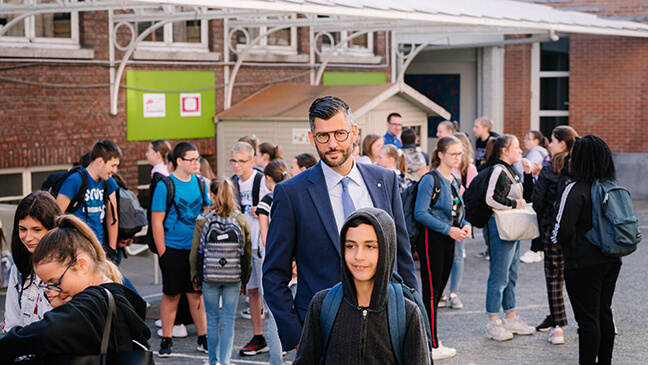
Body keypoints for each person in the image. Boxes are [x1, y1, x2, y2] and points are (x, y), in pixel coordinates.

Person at [263, 96, 419, 352]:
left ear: (354, 132)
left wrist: (413, 318)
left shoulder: (386, 180)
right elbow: (273, 274)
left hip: (386, 328)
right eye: (323, 136)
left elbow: (402, 259)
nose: (332, 143)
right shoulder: (291, 193)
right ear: (312, 138)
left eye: (339, 133)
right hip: (321, 330)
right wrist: (298, 336)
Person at [0, 215, 150, 362]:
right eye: (47, 285)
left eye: (56, 282)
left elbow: (48, 331)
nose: (52, 291)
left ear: (81, 264)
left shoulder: (93, 303)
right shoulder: (115, 293)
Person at [293, 208, 430, 364]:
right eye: (351, 246)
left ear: (387, 250)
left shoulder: (407, 313)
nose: (359, 256)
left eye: (370, 246)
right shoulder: (322, 305)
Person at [552, 135, 623, 365]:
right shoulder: (611, 187)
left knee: (587, 321)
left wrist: (552, 241)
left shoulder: (575, 189)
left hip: (581, 263)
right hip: (611, 259)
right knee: (604, 314)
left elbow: (561, 232)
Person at [151, 142, 211, 357]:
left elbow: (206, 210)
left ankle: (203, 338)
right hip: (173, 250)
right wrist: (163, 252)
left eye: (198, 159)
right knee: (171, 294)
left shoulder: (201, 182)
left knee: (196, 295)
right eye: (192, 160)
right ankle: (166, 339)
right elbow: (156, 221)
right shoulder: (165, 185)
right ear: (179, 161)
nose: (197, 163)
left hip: (196, 250)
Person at [414, 135, 471, 360]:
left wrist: (464, 226)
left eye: (460, 154)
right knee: (431, 293)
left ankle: (432, 341)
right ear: (440, 155)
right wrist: (450, 230)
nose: (458, 158)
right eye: (453, 154)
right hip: (431, 239)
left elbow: (458, 212)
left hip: (448, 238)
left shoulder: (453, 179)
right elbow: (420, 213)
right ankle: (431, 345)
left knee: (438, 293)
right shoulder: (431, 179)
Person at [190, 177, 252, 365]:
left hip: (210, 275)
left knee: (212, 320)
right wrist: (245, 279)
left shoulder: (203, 220)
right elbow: (247, 252)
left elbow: (194, 253)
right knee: (228, 321)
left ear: (212, 195)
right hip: (233, 276)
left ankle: (212, 361)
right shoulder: (240, 219)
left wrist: (196, 278)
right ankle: (225, 361)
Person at [483, 135, 536, 341]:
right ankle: (493, 321)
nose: (520, 150)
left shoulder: (510, 170)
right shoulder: (498, 170)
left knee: (510, 274)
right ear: (504, 150)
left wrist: (529, 174)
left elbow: (527, 197)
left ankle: (510, 316)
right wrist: (515, 205)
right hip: (500, 227)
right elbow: (490, 198)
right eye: (516, 147)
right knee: (499, 275)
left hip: (510, 228)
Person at [532, 125, 579, 345]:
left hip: (553, 229)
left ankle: (557, 328)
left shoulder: (549, 169)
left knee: (554, 277)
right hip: (580, 230)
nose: (548, 144)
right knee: (583, 276)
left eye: (551, 140)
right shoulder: (582, 167)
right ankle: (595, 319)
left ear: (562, 143)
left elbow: (538, 203)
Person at [230, 141, 271, 356]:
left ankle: (278, 335)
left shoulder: (262, 181)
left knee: (270, 292)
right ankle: (258, 336)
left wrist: (264, 210)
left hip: (262, 244)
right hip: (245, 245)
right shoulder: (232, 183)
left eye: (241, 161)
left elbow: (278, 203)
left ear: (252, 162)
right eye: (234, 161)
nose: (237, 166)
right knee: (253, 292)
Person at [2, 192, 61, 333]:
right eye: (23, 229)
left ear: (53, 228)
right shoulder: (18, 268)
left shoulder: (67, 268)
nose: (28, 238)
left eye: (36, 230)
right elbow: (11, 320)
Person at [56, 140, 121, 261]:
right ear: (100, 161)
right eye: (113, 165)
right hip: (75, 247)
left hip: (98, 247)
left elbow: (113, 217)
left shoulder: (109, 182)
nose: (115, 171)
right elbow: (56, 215)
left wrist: (112, 248)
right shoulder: (75, 180)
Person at [257, 160, 292, 365]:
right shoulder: (294, 196)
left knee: (276, 316)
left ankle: (276, 361)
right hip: (296, 265)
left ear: (268, 178)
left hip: (275, 265)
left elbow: (266, 239)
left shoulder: (267, 201)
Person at [441, 132, 478, 311]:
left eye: (458, 152)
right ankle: (440, 292)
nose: (456, 156)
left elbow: (472, 191)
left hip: (458, 215)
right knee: (441, 256)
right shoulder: (440, 168)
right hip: (442, 217)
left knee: (457, 256)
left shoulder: (467, 169)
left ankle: (454, 293)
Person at [519, 130, 550, 264]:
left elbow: (525, 171)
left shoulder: (535, 153)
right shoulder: (543, 153)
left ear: (536, 141)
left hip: (538, 190)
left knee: (538, 219)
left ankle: (535, 250)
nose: (525, 141)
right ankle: (539, 250)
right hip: (542, 189)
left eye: (529, 138)